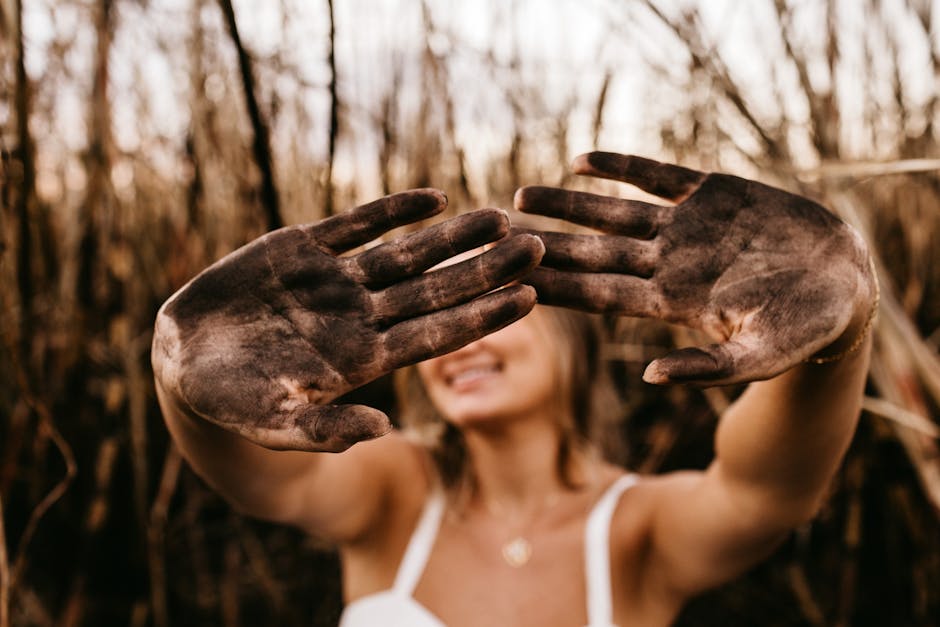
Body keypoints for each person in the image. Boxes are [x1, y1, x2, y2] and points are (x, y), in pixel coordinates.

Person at [151, 152, 878, 626]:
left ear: (572, 329)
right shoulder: (395, 488)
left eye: (493, 307)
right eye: (444, 317)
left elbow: (768, 488)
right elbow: (259, 478)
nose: (460, 344)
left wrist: (841, 331)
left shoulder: (636, 529)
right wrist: (183, 372)